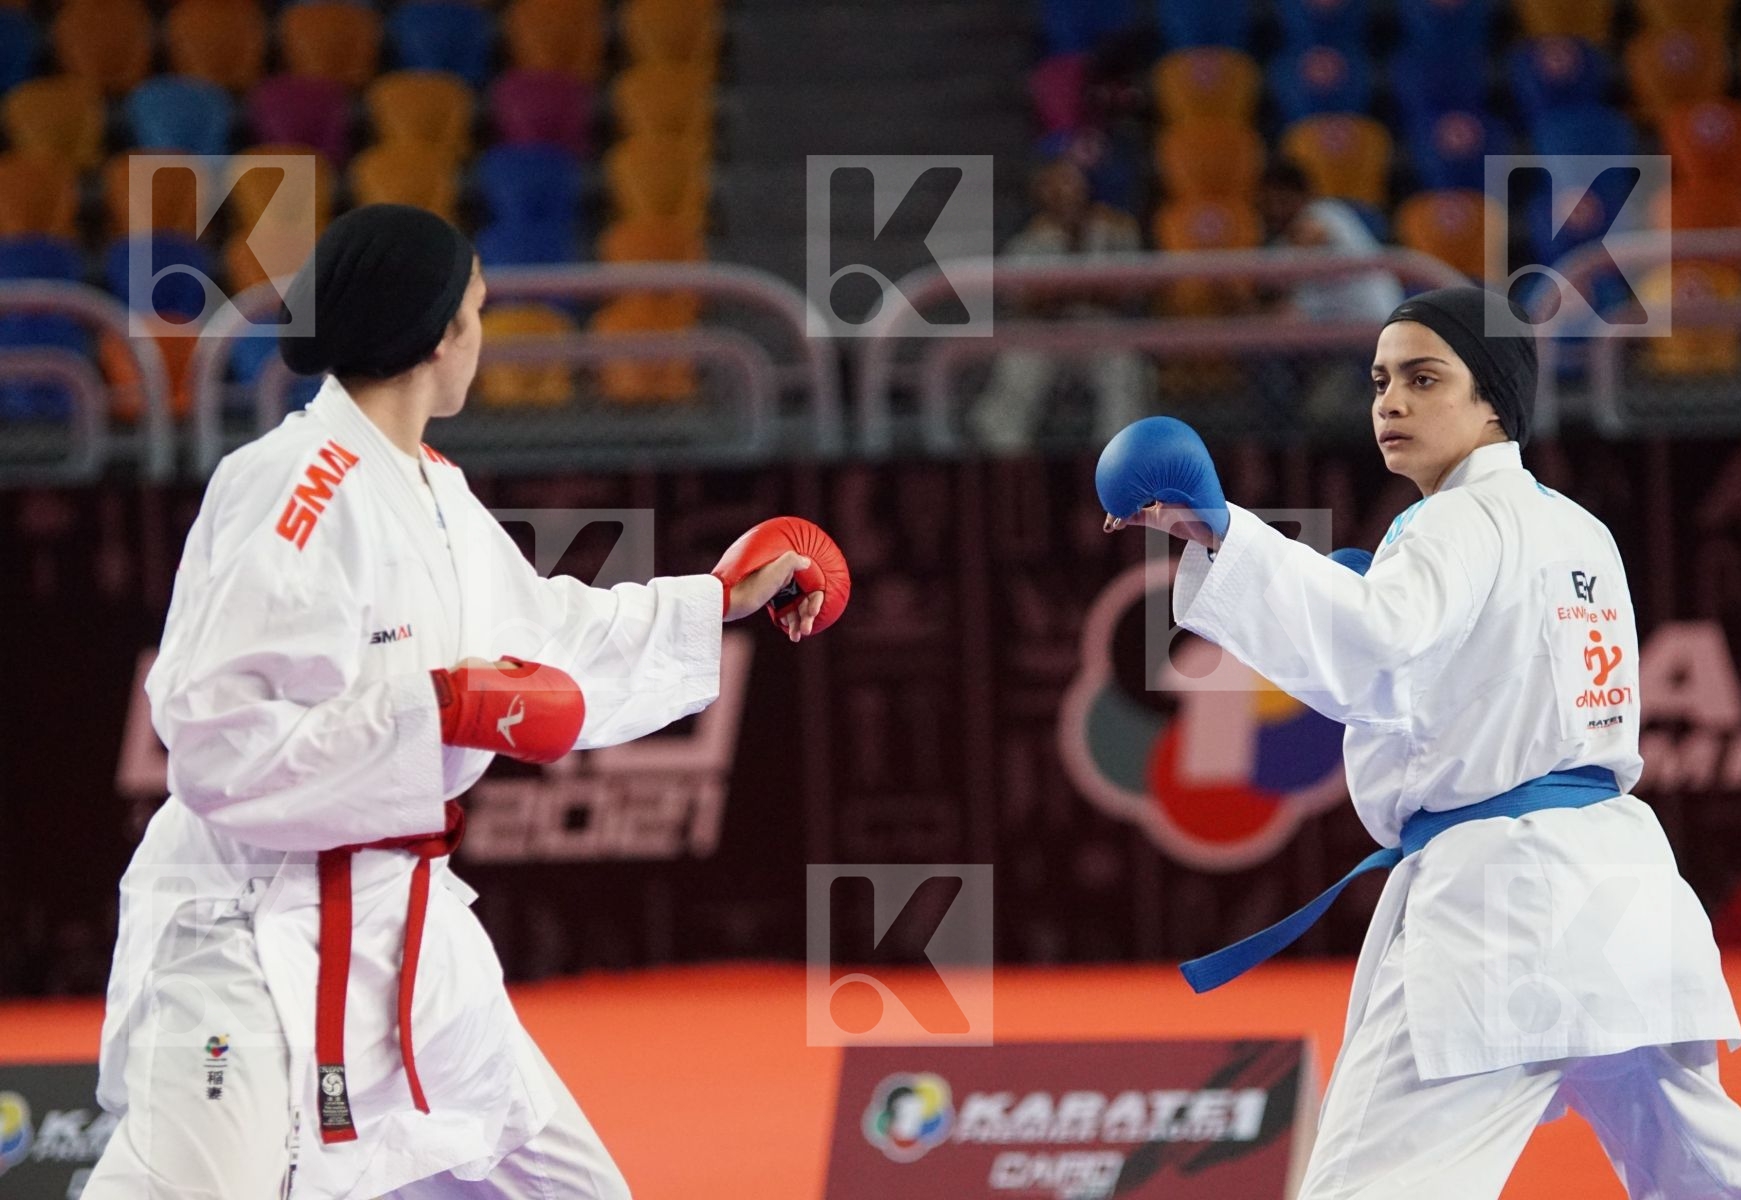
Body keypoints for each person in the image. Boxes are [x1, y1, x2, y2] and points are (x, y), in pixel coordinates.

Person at [84, 204, 842, 1200]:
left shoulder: (432, 487)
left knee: (573, 1192)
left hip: (404, 924)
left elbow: (548, 637)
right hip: (247, 939)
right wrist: (435, 711)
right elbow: (218, 746)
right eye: (477, 311)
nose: (482, 335)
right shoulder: (291, 487)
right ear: (440, 335)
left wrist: (714, 602)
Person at [1096, 286, 1741, 1199]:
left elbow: (1376, 655)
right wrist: (1337, 586)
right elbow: (1453, 670)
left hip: (1503, 912)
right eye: (1380, 381)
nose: (1391, 401)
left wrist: (1229, 534)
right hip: (1624, 901)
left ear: (1493, 400)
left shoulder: (1455, 521)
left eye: (1424, 379)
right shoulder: (1576, 528)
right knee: (1712, 1179)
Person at [964, 155, 1149, 453]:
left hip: (1099, 330)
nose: (1064, 192)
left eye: (1070, 183)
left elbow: (1126, 292)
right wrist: (1077, 290)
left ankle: (1117, 460)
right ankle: (1006, 457)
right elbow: (1024, 302)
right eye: (1054, 185)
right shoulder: (1029, 240)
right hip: (1047, 333)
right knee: (1019, 367)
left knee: (1123, 370)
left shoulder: (1116, 230)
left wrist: (1068, 291)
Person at [1258, 160, 1406, 434]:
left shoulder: (1324, 214)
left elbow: (1307, 242)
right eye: (1269, 201)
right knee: (1269, 342)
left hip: (1373, 335)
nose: (1275, 208)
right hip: (1333, 342)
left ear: (1303, 196)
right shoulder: (1281, 245)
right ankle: (1280, 436)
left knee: (1323, 416)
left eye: (1282, 199)